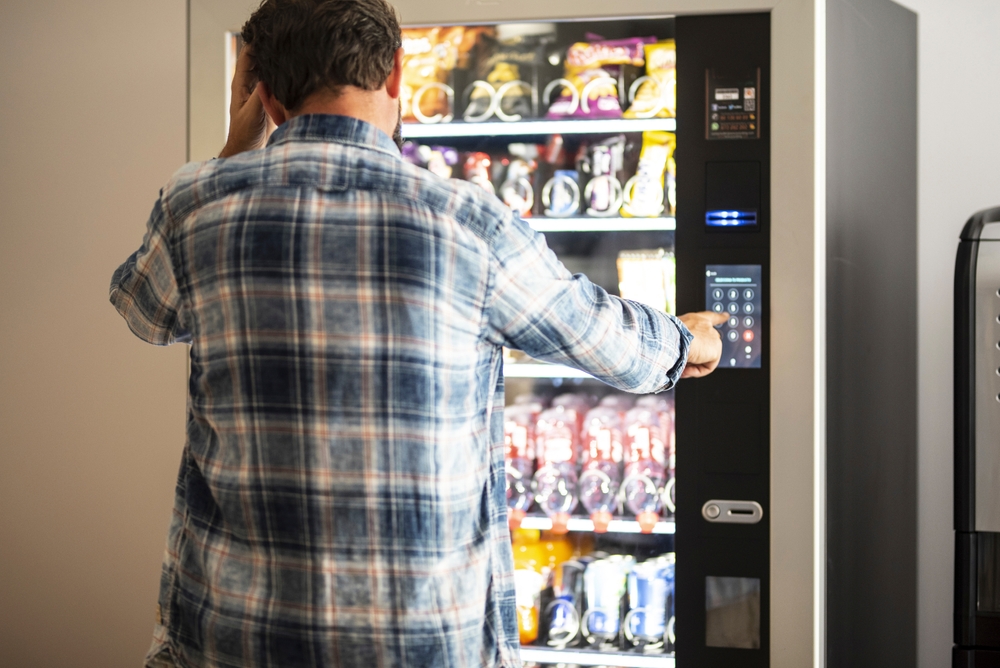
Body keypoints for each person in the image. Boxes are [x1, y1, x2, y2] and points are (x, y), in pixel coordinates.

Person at [109, 0, 726, 666]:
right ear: (398, 76)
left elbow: (145, 313)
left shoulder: (195, 204)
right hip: (420, 642)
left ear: (259, 92)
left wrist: (232, 152)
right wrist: (690, 339)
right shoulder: (470, 223)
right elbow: (613, 346)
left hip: (234, 634)